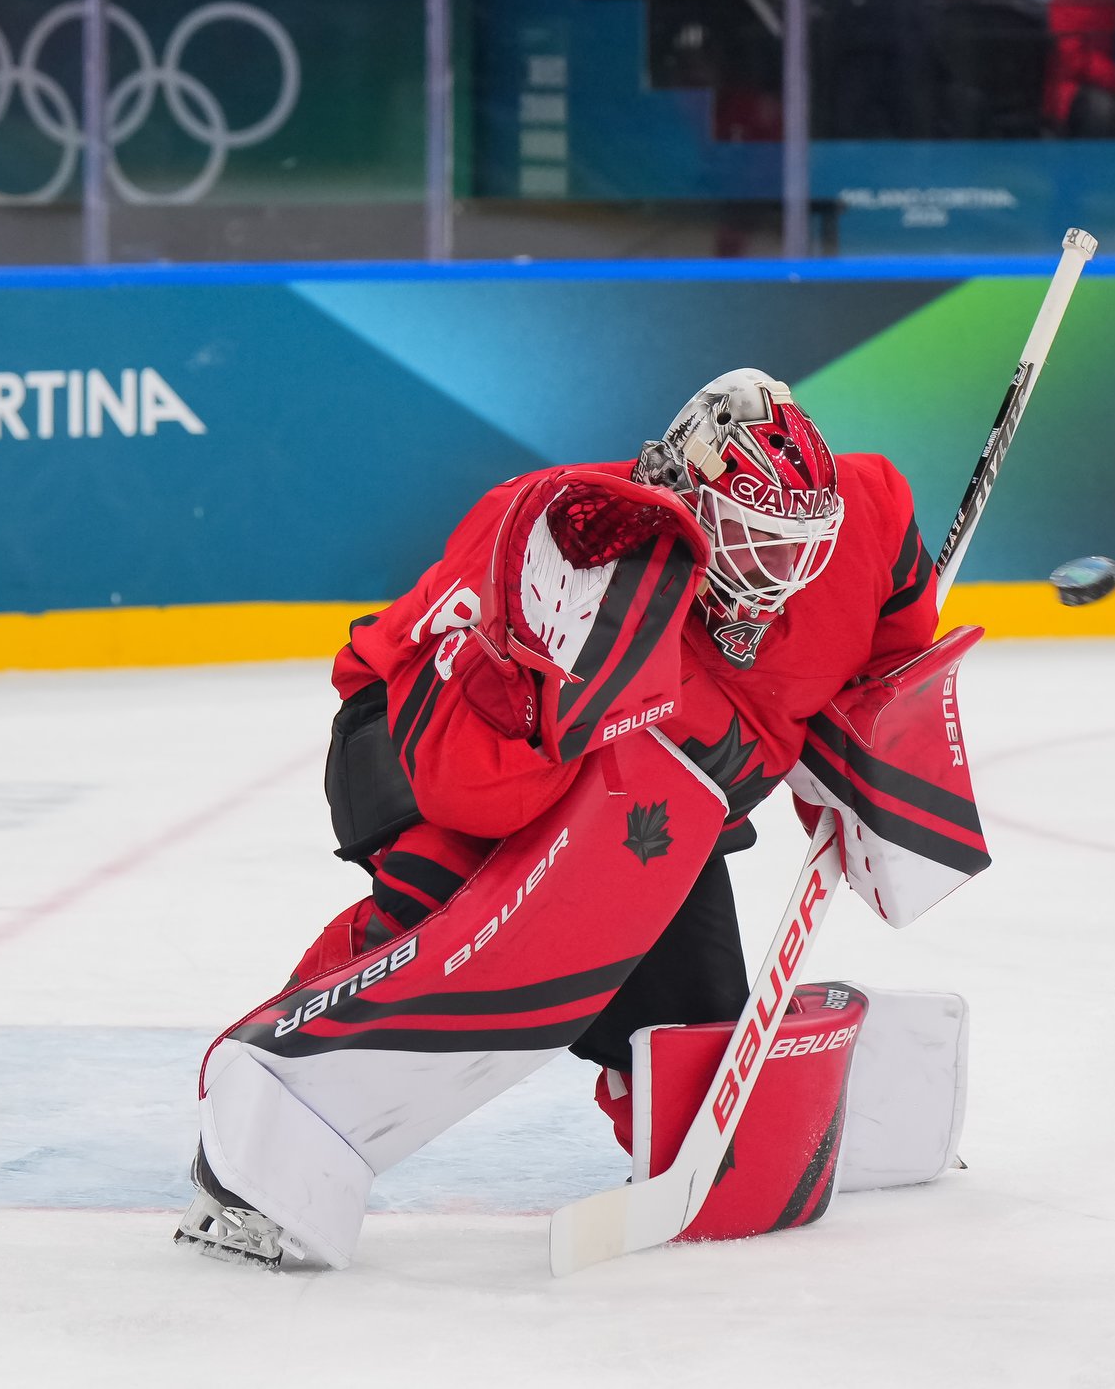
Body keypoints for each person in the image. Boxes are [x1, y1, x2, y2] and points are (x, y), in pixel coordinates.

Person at [175, 369, 960, 1267]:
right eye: (751, 543)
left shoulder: (866, 515)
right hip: (427, 739)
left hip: (648, 809)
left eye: (795, 548)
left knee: (692, 1034)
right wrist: (545, 702)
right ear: (687, 497)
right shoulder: (566, 545)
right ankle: (267, 1117)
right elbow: (466, 788)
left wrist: (877, 769)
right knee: (450, 922)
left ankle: (771, 1129)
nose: (776, 576)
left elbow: (888, 664)